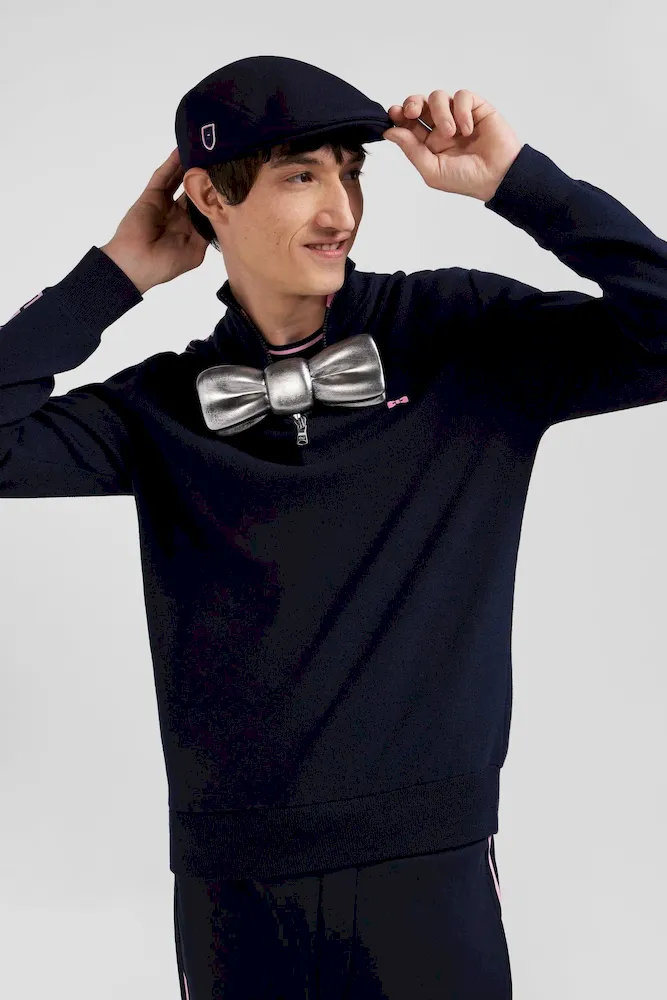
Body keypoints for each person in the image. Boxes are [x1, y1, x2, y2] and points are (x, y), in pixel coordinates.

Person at [3, 54, 667, 998]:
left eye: (350, 173)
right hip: (232, 894)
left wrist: (521, 183)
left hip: (426, 872)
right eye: (300, 177)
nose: (340, 211)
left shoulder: (458, 333)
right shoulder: (161, 408)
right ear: (209, 197)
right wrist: (109, 279)